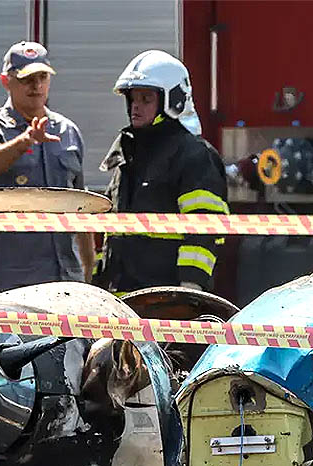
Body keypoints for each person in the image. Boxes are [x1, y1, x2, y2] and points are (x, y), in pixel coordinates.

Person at [0, 41, 95, 292]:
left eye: (42, 77)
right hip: (10, 282)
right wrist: (25, 141)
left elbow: (82, 206)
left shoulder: (67, 131)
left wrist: (87, 270)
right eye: (26, 79)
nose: (36, 86)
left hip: (65, 278)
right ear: (6, 81)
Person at [97, 50, 229, 294]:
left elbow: (205, 226)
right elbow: (111, 227)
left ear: (173, 101)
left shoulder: (193, 155)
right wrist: (98, 280)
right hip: (120, 297)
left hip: (166, 299)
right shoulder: (128, 153)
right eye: (133, 99)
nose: (136, 107)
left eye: (146, 99)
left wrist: (190, 287)